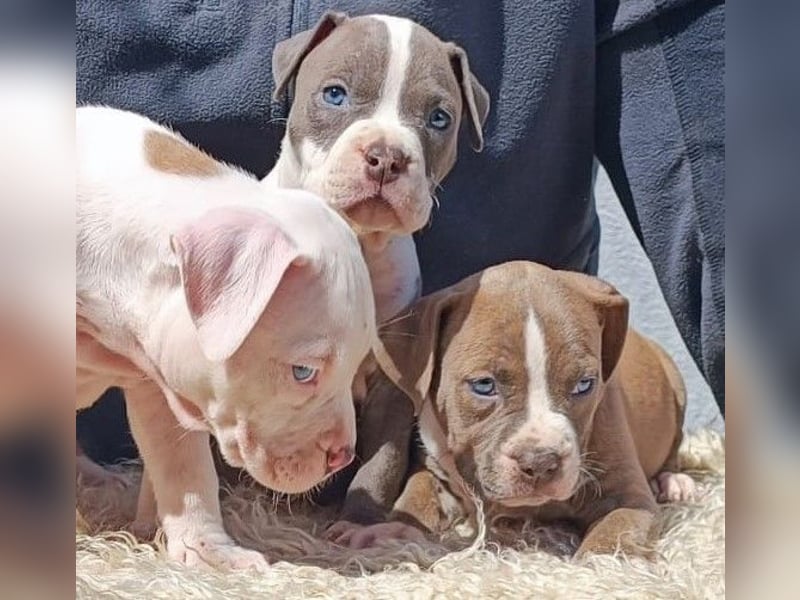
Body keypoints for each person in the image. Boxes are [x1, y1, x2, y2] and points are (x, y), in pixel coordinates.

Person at [76, 0, 724, 461]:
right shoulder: (249, 235)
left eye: (435, 120)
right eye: (336, 98)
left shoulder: (400, 280)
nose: (387, 152)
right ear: (292, 83)